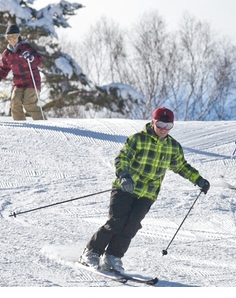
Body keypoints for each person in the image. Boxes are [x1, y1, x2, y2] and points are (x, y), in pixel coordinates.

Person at [79, 107, 211, 273]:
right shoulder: (138, 139)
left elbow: (181, 167)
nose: (164, 129)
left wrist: (198, 179)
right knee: (116, 222)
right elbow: (122, 158)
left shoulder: (173, 147)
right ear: (153, 122)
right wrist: (124, 176)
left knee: (132, 226)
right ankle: (91, 252)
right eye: (161, 124)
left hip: (147, 194)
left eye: (168, 125)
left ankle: (112, 256)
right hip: (125, 188)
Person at [0, 24, 44, 120]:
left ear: (18, 36)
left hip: (32, 82)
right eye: (8, 37)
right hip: (19, 84)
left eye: (14, 36)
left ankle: (43, 123)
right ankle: (21, 125)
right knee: (14, 103)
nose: (11, 39)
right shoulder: (7, 53)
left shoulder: (26, 48)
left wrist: (31, 58)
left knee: (29, 103)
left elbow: (39, 61)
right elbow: (3, 69)